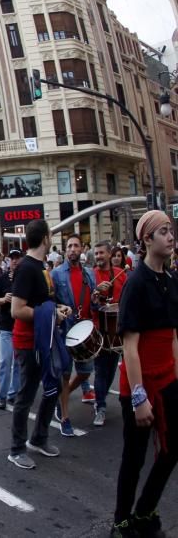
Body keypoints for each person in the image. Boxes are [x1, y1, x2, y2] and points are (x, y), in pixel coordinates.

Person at [110, 211, 178, 537]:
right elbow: (130, 347)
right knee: (134, 459)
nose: (170, 236)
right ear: (147, 239)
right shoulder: (135, 284)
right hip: (139, 384)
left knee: (171, 449)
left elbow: (174, 337)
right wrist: (139, 398)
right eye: (163, 231)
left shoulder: (172, 279)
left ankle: (145, 510)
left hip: (168, 380)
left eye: (171, 230)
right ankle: (121, 521)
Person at [9, 219, 66, 470]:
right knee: (27, 394)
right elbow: (17, 310)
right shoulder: (26, 267)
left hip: (44, 338)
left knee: (54, 385)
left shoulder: (40, 266)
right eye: (50, 236)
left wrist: (58, 308)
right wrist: (52, 314)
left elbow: (42, 302)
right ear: (45, 239)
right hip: (28, 342)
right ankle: (17, 448)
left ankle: (39, 438)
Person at [49, 234, 96, 436]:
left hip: (84, 331)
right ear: (65, 250)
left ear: (82, 249)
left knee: (86, 371)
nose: (73, 249)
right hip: (65, 330)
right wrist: (60, 308)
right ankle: (65, 416)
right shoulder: (57, 274)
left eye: (76, 246)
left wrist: (97, 298)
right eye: (69, 246)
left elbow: (92, 303)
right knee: (65, 374)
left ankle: (64, 395)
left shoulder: (90, 274)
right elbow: (49, 301)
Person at [91, 240, 127, 427]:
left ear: (109, 254)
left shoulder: (120, 275)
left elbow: (127, 300)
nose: (98, 257)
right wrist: (95, 293)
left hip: (116, 331)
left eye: (101, 253)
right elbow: (89, 301)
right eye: (96, 253)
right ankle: (101, 406)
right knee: (100, 370)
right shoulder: (91, 275)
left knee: (111, 369)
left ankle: (100, 397)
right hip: (98, 330)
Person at [0, 249, 22, 410]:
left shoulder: (25, 278)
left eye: (17, 258)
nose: (15, 261)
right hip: (6, 328)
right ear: (8, 261)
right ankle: (1, 396)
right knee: (5, 361)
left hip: (21, 327)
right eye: (12, 258)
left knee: (17, 363)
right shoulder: (3, 279)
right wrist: (3, 299)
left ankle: (13, 394)